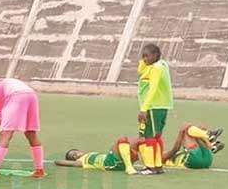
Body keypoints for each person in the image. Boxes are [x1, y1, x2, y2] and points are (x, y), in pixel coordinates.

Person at [136, 44, 173, 175]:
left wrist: (144, 109)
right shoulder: (161, 65)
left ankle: (150, 166)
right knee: (156, 137)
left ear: (156, 55)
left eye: (147, 56)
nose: (144, 59)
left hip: (153, 107)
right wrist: (144, 61)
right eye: (143, 56)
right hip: (160, 106)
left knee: (149, 136)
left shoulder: (156, 69)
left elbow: (153, 88)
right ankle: (157, 166)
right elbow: (140, 70)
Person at [54, 137, 138, 175]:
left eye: (76, 152)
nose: (76, 155)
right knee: (122, 139)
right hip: (109, 163)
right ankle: (129, 167)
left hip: (115, 161)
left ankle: (149, 166)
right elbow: (58, 162)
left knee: (138, 140)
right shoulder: (82, 162)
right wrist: (70, 162)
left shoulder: (89, 154)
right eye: (73, 156)